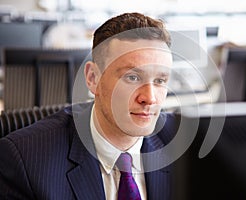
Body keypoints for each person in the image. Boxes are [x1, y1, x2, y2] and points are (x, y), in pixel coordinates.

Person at [0, 12, 180, 200]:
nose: (150, 98)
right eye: (132, 77)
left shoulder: (187, 147)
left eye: (160, 80)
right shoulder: (26, 162)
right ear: (93, 78)